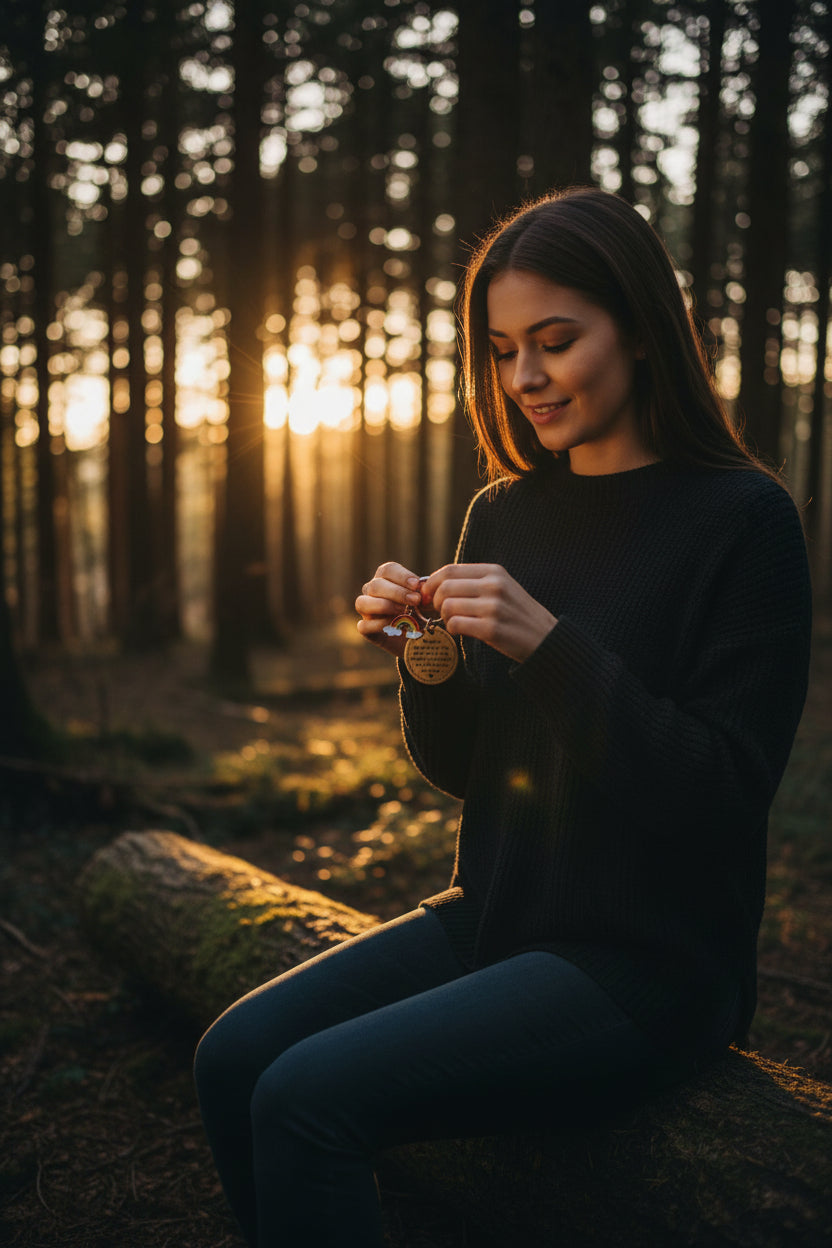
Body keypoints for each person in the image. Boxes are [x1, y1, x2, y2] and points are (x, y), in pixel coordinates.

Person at [193, 187, 812, 1247]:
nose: (523, 377)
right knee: (236, 1057)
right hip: (493, 916)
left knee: (306, 1097)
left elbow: (719, 794)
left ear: (642, 330)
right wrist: (424, 658)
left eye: (555, 342)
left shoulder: (745, 522)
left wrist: (548, 645)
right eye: (501, 350)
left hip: (646, 966)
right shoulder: (506, 511)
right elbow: (468, 771)